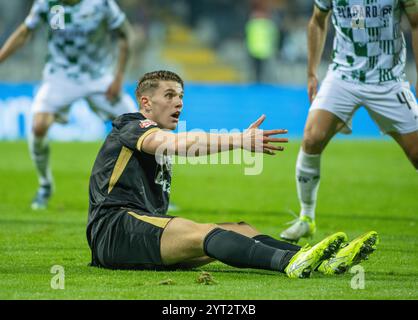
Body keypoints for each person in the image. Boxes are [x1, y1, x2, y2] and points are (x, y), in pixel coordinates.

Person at [86, 70, 379, 278]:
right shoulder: (131, 125)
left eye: (181, 96)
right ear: (146, 103)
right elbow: (183, 143)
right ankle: (290, 263)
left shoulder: (156, 131)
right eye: (170, 95)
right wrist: (239, 140)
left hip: (142, 230)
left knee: (240, 229)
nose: (179, 102)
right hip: (114, 229)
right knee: (206, 233)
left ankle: (317, 258)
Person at [280, 0, 418, 242]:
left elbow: (416, 23)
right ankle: (306, 218)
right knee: (312, 138)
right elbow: (317, 21)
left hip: (388, 80)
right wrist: (311, 72)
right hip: (343, 77)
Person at [0, 0, 137, 210]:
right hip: (60, 77)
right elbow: (24, 32)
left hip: (99, 77)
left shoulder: (101, 4)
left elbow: (125, 35)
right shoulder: (48, 4)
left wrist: (118, 76)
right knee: (38, 126)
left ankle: (151, 191)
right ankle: (45, 185)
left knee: (137, 126)